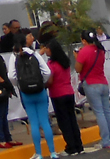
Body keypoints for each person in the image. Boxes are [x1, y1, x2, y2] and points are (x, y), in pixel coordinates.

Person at [9, 36, 58, 159]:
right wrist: (42, 82)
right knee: (44, 121)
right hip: (39, 90)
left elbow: (11, 76)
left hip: (26, 92)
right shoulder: (35, 54)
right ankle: (52, 152)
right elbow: (47, 72)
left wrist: (19, 85)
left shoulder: (14, 56)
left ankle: (39, 153)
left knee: (34, 122)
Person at [41, 26, 83, 156]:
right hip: (69, 92)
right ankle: (78, 145)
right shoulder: (64, 62)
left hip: (57, 94)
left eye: (47, 49)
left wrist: (44, 85)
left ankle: (70, 146)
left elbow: (51, 81)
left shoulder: (52, 65)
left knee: (63, 121)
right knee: (72, 119)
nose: (46, 51)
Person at [74, 29, 110, 149]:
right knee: (107, 111)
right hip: (103, 82)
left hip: (91, 84)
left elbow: (78, 68)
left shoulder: (83, 52)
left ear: (83, 40)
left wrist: (77, 57)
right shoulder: (100, 50)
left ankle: (106, 140)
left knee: (99, 113)